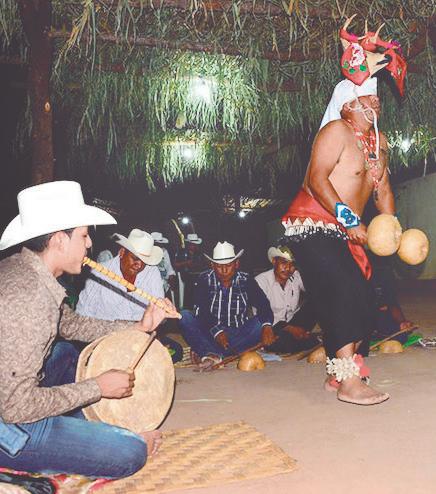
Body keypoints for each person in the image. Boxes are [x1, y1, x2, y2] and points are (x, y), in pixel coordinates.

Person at [0, 181, 177, 479]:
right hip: (8, 422)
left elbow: (73, 325)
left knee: (66, 353)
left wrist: (139, 326)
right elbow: (16, 407)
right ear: (59, 240)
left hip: (12, 392)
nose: (89, 244)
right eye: (83, 235)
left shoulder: (26, 269)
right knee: (130, 451)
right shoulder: (28, 297)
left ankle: (78, 428)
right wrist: (97, 387)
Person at [281, 18, 407, 405]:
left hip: (346, 229)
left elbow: (383, 190)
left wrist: (391, 229)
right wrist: (350, 220)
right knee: (345, 289)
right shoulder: (335, 132)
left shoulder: (378, 144)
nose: (375, 103)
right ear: (347, 106)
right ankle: (350, 379)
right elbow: (315, 180)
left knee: (366, 297)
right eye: (366, 99)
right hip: (311, 223)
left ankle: (337, 376)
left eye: (376, 99)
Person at [77, 228, 183, 363]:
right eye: (135, 258)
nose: (139, 265)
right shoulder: (99, 272)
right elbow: (82, 313)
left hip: (140, 336)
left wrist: (161, 314)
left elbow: (157, 316)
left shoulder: (152, 272)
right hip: (107, 337)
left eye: (144, 261)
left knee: (175, 351)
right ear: (122, 252)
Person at [179, 241, 275, 369]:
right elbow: (202, 311)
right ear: (212, 265)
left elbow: (263, 304)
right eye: (219, 266)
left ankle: (209, 352)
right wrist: (217, 331)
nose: (224, 270)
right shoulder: (204, 279)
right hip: (212, 334)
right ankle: (216, 351)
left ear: (236, 264)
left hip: (238, 334)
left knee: (260, 324)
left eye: (228, 265)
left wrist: (267, 325)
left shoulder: (246, 280)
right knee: (184, 316)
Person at [255, 246, 318, 353]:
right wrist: (290, 329)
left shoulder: (296, 276)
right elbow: (259, 315)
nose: (288, 268)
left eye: (292, 264)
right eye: (284, 263)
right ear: (274, 261)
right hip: (271, 326)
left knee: (317, 300)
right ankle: (307, 339)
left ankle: (303, 337)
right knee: (283, 343)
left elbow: (313, 290)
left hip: (293, 321)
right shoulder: (261, 281)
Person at [174, 233, 205, 309]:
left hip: (196, 274)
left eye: (195, 244)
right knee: (192, 283)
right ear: (189, 244)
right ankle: (189, 305)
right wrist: (186, 263)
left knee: (202, 280)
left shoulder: (198, 253)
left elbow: (202, 264)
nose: (194, 246)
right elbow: (175, 265)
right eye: (192, 244)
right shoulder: (182, 252)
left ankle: (199, 305)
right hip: (185, 274)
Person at [151, 231, 177, 296]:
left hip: (163, 283)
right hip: (150, 282)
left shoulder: (164, 251)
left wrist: (171, 277)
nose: (159, 246)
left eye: (160, 244)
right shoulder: (147, 251)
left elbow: (169, 267)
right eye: (157, 244)